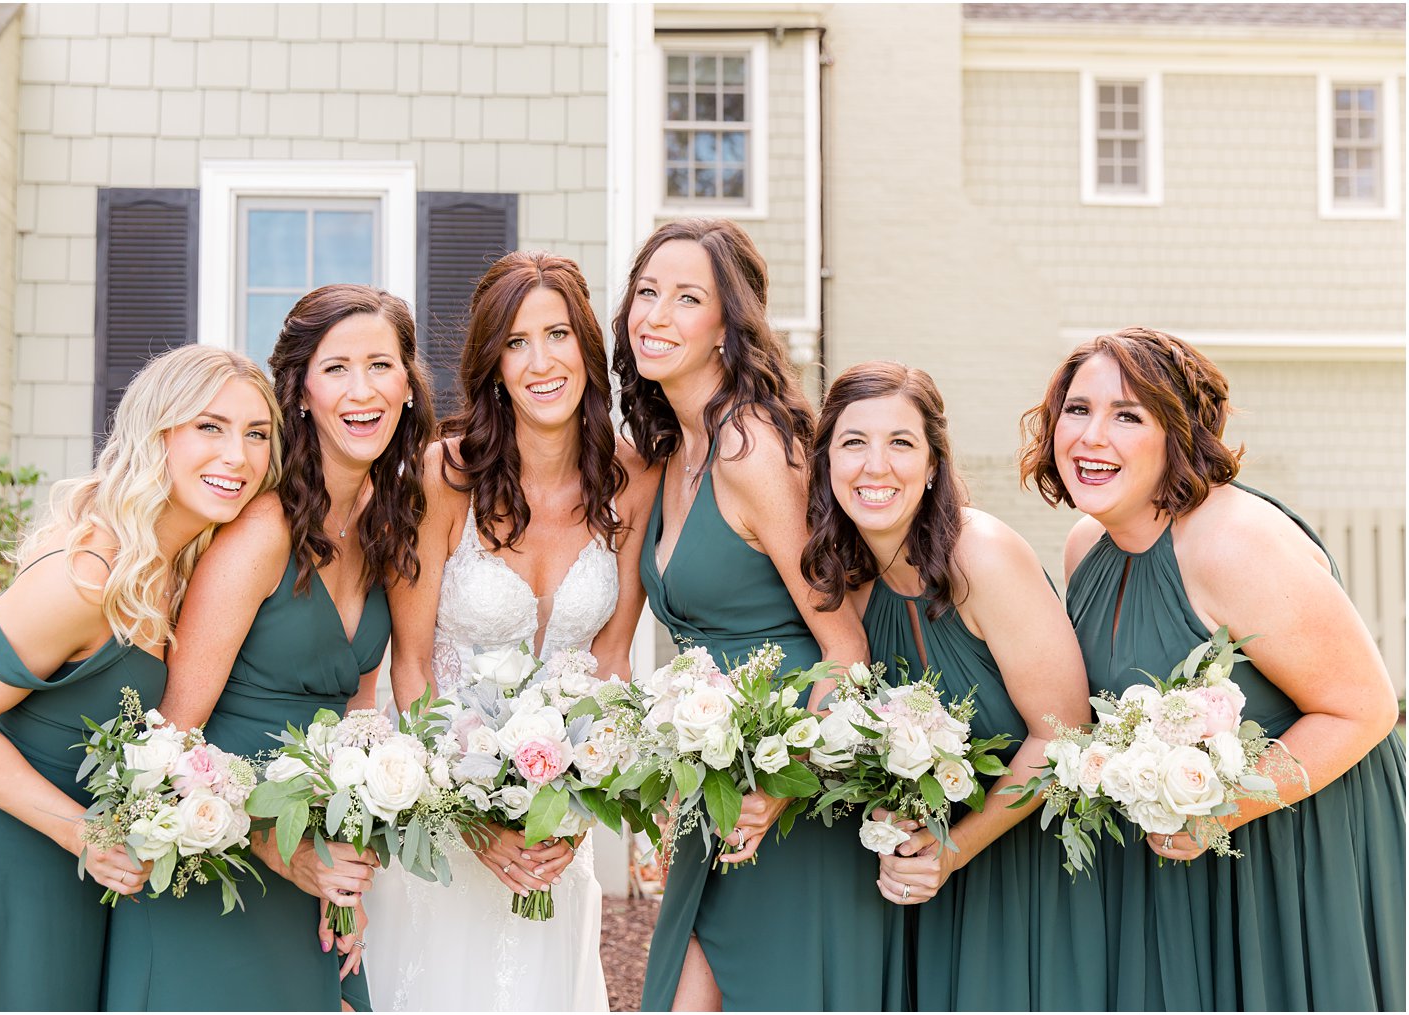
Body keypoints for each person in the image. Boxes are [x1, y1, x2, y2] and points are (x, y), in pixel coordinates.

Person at [1020, 325, 1406, 1011]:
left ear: (1177, 434)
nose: (1090, 435)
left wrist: (1216, 815)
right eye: (1077, 409)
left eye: (1127, 415)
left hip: (1292, 856)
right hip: (1178, 867)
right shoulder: (1088, 546)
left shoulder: (1236, 542)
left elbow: (1365, 706)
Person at [0, 345, 279, 1011]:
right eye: (209, 427)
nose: (238, 457)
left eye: (257, 434)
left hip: (77, 879)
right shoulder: (84, 577)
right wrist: (85, 832)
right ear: (155, 435)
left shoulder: (181, 571)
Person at [102, 285, 435, 1011]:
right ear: (302, 391)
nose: (361, 390)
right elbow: (172, 739)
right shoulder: (261, 529)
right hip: (211, 866)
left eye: (380, 365)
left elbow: (357, 708)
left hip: (306, 867)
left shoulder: (388, 524)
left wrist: (341, 862)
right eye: (336, 368)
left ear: (407, 386)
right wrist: (281, 851)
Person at [365, 250, 656, 1011]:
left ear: (587, 348)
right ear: (493, 364)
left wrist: (579, 805)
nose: (541, 361)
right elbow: (413, 667)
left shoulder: (631, 484)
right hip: (443, 824)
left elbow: (613, 660)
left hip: (558, 833)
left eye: (557, 334)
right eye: (516, 342)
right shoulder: (442, 476)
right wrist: (470, 822)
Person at [620, 218, 882, 1011]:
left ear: (728, 329)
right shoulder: (671, 452)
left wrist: (781, 783)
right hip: (709, 788)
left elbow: (847, 648)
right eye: (646, 292)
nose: (655, 316)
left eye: (686, 298)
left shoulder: (752, 448)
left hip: (784, 808)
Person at [800, 360, 1104, 1010]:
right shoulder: (847, 578)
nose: (874, 466)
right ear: (827, 460)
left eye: (900, 443)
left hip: (1023, 874)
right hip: (919, 883)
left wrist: (954, 850)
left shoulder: (981, 555)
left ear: (934, 462)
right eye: (853, 442)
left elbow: (1066, 733)